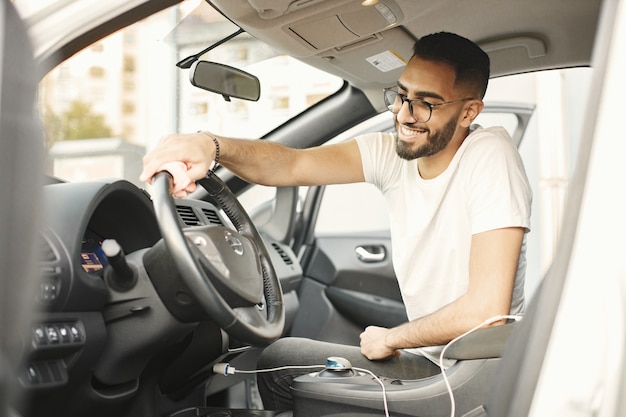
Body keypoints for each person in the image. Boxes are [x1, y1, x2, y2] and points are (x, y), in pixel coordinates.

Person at [140, 31, 532, 411]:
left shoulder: (489, 154)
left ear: (468, 112)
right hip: (440, 363)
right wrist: (210, 145)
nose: (404, 114)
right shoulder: (394, 155)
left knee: (280, 362)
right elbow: (292, 163)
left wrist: (394, 338)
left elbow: (486, 311)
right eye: (401, 95)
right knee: (284, 359)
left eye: (425, 102)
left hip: (471, 374)